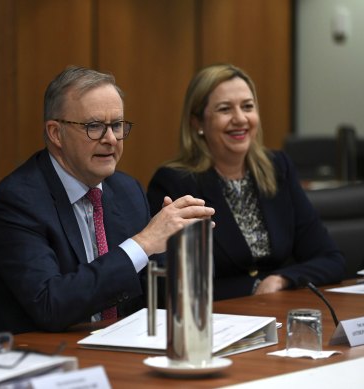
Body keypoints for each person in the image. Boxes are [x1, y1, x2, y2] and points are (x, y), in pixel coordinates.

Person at [0, 65, 215, 339]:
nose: (110, 139)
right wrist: (142, 243)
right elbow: (51, 305)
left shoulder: (126, 190)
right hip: (30, 361)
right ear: (55, 133)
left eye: (117, 125)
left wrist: (181, 253)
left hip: (114, 350)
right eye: (94, 126)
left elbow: (151, 297)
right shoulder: (16, 202)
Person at [147, 63, 345, 300]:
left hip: (278, 312)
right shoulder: (176, 183)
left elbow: (331, 259)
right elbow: (173, 286)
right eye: (225, 109)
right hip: (216, 320)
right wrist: (253, 288)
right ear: (197, 123)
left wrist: (280, 279)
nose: (240, 119)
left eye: (247, 107)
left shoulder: (277, 167)